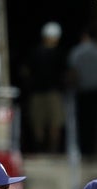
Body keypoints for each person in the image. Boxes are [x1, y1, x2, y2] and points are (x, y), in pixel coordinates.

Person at [67, 30, 97, 157]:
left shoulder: (77, 52)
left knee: (82, 122)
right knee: (96, 121)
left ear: (84, 36)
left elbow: (73, 73)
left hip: (82, 91)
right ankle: (95, 150)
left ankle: (84, 150)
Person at [23, 22, 66, 154]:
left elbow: (25, 72)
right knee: (55, 124)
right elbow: (66, 74)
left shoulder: (34, 52)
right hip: (54, 93)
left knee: (38, 124)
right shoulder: (59, 54)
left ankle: (40, 150)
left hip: (37, 93)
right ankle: (52, 151)